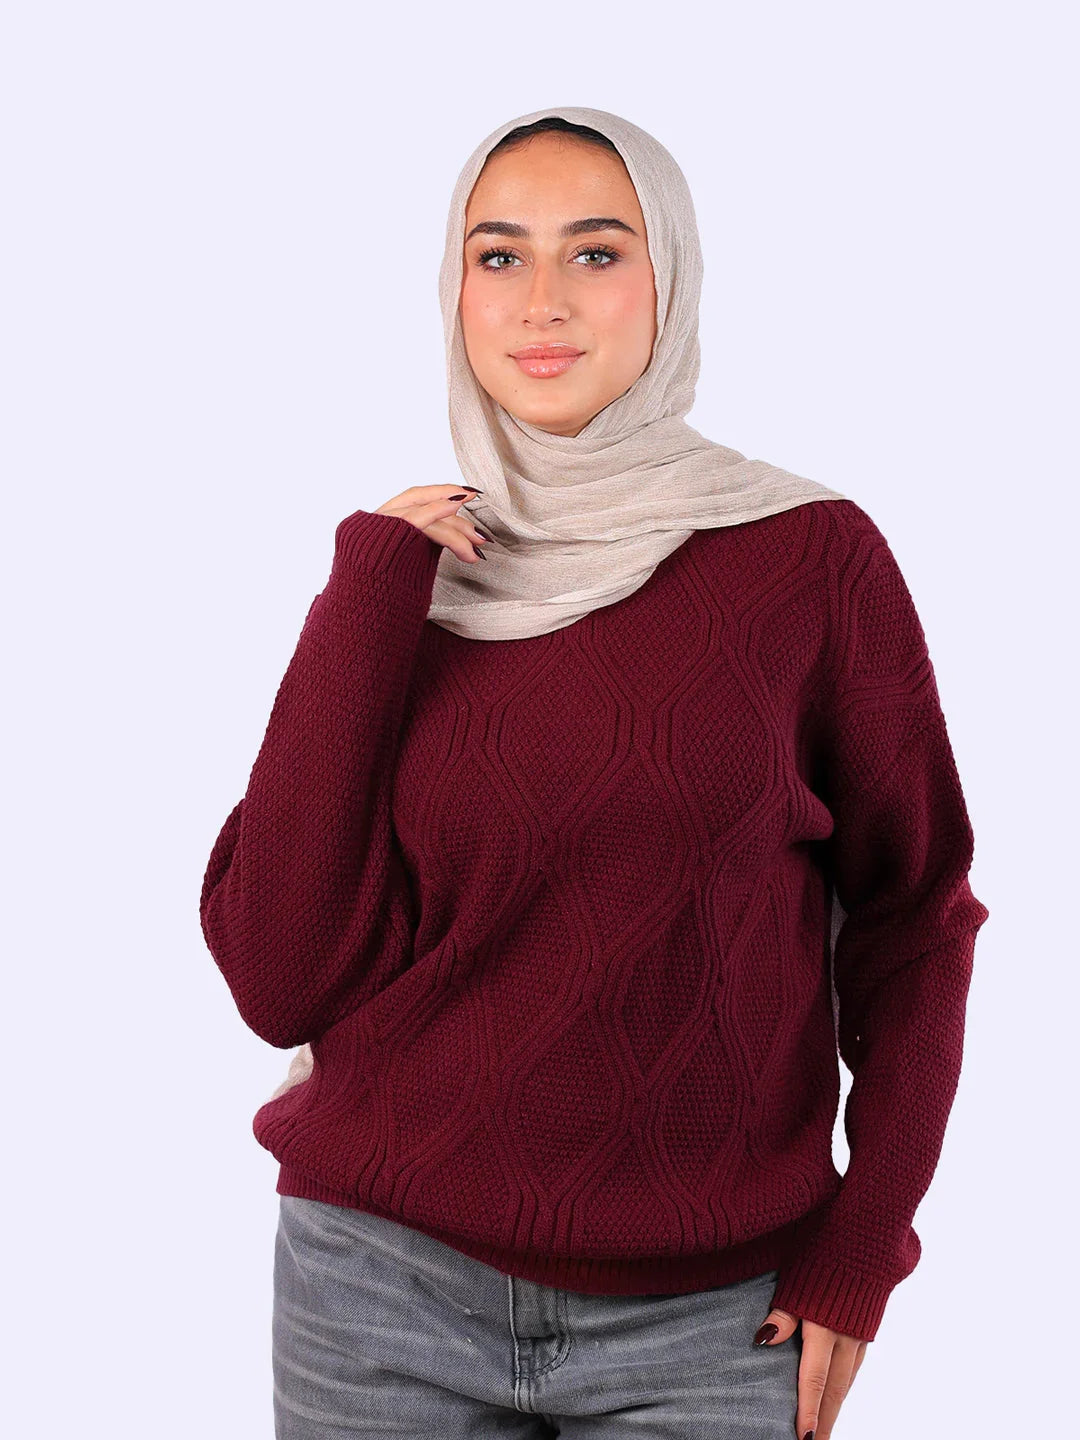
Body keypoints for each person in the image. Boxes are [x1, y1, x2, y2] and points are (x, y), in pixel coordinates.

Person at [199, 106, 990, 1440]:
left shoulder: (809, 561)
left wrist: (868, 1243)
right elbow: (279, 977)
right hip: (376, 1287)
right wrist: (364, 600)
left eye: (597, 252)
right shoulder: (408, 580)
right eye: (499, 256)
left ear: (669, 277)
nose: (543, 302)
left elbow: (915, 919)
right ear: (452, 289)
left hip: (713, 1318)